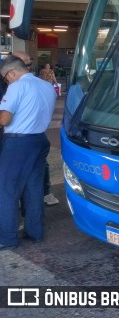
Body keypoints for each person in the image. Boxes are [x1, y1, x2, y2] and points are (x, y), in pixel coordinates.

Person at [0, 56, 57, 250]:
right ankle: (35, 232)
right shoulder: (46, 86)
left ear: (12, 72)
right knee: (33, 189)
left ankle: (6, 238)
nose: (7, 82)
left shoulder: (17, 86)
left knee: (6, 190)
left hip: (18, 143)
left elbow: (4, 119)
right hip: (39, 140)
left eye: (6, 78)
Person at [11, 51, 59, 207]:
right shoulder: (8, 82)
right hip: (12, 134)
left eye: (28, 64)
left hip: (30, 133)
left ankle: (44, 192)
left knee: (39, 165)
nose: (27, 67)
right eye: (24, 64)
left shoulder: (34, 83)